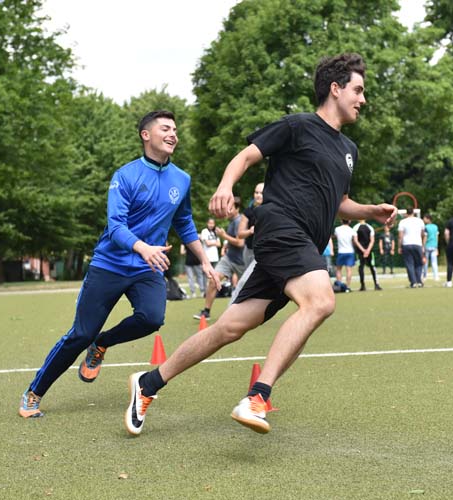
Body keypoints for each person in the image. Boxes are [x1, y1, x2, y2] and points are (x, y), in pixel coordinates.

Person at [123, 53, 397, 436]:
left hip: (300, 247)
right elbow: (246, 156)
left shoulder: (349, 150)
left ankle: (149, 382)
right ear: (335, 89)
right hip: (281, 228)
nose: (363, 99)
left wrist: (370, 211)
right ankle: (257, 397)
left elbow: (339, 203)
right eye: (358, 90)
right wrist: (225, 186)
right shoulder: (297, 126)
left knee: (229, 328)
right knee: (320, 301)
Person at [18, 110, 219, 418]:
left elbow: (184, 222)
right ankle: (34, 392)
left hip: (147, 268)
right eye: (166, 129)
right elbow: (116, 226)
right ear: (146, 135)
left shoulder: (182, 179)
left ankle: (102, 343)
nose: (173, 134)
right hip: (110, 264)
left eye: (175, 130)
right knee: (80, 334)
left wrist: (205, 261)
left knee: (152, 318)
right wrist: (143, 248)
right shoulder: (125, 176)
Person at [194, 198, 245, 320]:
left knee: (249, 289)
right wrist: (226, 245)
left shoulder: (239, 221)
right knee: (213, 279)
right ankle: (206, 312)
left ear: (237, 209)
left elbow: (240, 243)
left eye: (231, 208)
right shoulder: (231, 221)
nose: (228, 210)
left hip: (242, 261)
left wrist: (224, 236)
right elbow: (233, 240)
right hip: (229, 258)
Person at [398, 208, 425, 288]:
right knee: (419, 263)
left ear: (406, 213)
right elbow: (422, 233)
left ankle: (413, 282)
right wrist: (422, 244)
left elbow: (400, 236)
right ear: (414, 212)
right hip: (417, 243)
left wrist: (399, 246)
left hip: (406, 244)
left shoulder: (403, 222)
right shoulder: (419, 221)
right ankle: (419, 281)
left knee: (409, 264)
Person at [353, 218, 381, 291]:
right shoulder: (370, 227)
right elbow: (372, 240)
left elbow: (356, 241)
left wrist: (363, 250)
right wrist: (368, 250)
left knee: (361, 268)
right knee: (372, 267)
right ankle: (376, 285)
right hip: (369, 251)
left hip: (360, 251)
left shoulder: (355, 227)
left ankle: (363, 286)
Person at [334, 219, 356, 289]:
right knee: (349, 270)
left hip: (341, 251)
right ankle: (347, 287)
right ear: (349, 221)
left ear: (341, 221)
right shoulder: (352, 230)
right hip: (350, 251)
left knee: (338, 269)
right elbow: (354, 241)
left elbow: (336, 236)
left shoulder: (337, 229)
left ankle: (339, 286)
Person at [422, 214, 439, 281]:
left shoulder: (426, 227)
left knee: (425, 262)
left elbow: (425, 237)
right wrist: (436, 246)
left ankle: (425, 276)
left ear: (428, 219)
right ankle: (436, 276)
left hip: (427, 246)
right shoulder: (435, 227)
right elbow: (437, 237)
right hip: (434, 246)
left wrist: (423, 246)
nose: (424, 220)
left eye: (425, 218)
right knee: (434, 262)